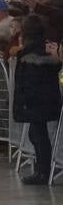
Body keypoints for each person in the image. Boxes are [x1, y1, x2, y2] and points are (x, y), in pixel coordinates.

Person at [13, 14, 62, 184]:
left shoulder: (29, 53)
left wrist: (24, 100)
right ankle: (43, 167)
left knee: (38, 135)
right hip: (48, 97)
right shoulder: (48, 49)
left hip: (35, 100)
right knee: (38, 134)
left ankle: (43, 171)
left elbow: (29, 80)